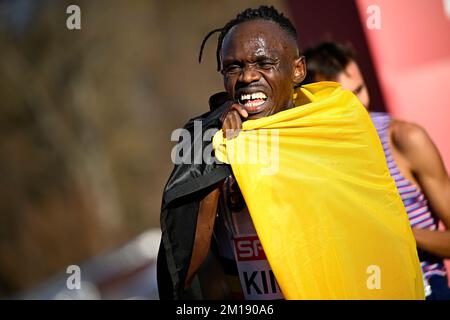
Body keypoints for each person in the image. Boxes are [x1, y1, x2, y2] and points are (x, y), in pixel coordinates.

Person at [157, 7, 423, 300]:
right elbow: (184, 271)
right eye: (233, 67)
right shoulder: (211, 142)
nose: (247, 76)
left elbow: (379, 235)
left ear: (298, 70)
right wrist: (213, 154)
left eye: (264, 62)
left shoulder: (337, 124)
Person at [303, 41, 450, 299]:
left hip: (425, 288)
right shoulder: (315, 158)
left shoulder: (404, 139)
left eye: (360, 90)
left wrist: (394, 229)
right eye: (346, 100)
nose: (360, 104)